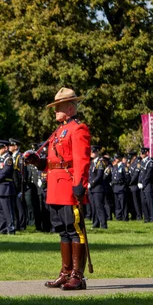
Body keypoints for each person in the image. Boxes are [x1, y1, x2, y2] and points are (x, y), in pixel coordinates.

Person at [25, 87, 91, 291]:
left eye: (58, 107)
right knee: (62, 230)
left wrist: (80, 184)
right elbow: (53, 162)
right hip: (55, 186)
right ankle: (65, 272)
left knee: (74, 229)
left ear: (70, 109)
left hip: (69, 185)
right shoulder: (58, 131)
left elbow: (81, 160)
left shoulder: (78, 129)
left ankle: (77, 276)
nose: (55, 111)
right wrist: (38, 162)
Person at [0, 140, 16, 235]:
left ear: (5, 148)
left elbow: (4, 172)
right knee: (0, 210)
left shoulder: (8, 159)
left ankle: (11, 229)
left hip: (5, 187)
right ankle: (2, 229)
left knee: (7, 210)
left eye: (0, 148)